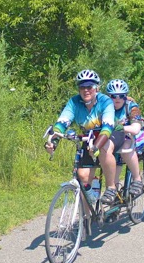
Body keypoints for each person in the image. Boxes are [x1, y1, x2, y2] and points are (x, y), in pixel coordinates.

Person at [44, 69, 122, 205]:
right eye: (82, 87)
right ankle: (88, 215)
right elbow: (62, 123)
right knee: (82, 176)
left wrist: (96, 146)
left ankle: (111, 188)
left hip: (112, 134)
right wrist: (53, 142)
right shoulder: (74, 102)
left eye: (89, 87)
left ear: (97, 88)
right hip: (90, 137)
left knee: (104, 148)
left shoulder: (105, 101)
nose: (86, 90)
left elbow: (107, 127)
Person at [106, 79, 144, 197]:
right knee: (113, 163)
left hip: (138, 134)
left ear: (125, 96)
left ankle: (137, 179)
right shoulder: (105, 107)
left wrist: (121, 127)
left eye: (121, 96)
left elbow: (135, 129)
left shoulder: (131, 107)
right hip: (117, 136)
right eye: (114, 96)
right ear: (109, 96)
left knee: (126, 147)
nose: (117, 99)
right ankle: (114, 196)